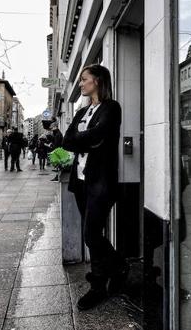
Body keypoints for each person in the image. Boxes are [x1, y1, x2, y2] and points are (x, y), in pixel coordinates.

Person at [62, 64, 125, 310]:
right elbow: (67, 141)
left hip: (101, 183)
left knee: (90, 234)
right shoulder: (81, 112)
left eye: (84, 79)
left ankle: (100, 284)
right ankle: (116, 267)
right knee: (93, 235)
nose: (80, 84)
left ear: (97, 81)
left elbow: (100, 135)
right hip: (80, 182)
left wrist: (84, 140)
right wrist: (87, 141)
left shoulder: (112, 107)